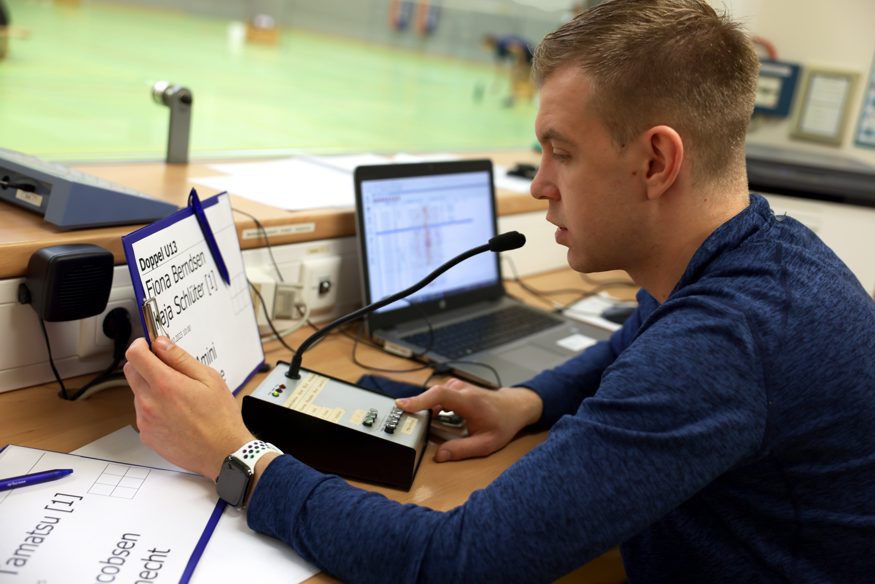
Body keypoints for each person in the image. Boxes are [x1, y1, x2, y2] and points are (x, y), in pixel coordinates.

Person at [124, 0, 875, 581]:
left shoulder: (726, 342)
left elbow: (456, 563)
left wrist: (235, 453)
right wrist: (529, 402)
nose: (541, 185)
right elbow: (641, 333)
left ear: (655, 162)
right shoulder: (757, 252)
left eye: (561, 152)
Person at [481, 33, 535, 106]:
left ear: (489, 43)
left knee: (522, 76)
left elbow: (519, 50)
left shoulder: (503, 43)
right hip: (525, 58)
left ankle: (528, 98)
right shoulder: (498, 50)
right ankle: (517, 97)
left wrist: (520, 65)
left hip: (530, 56)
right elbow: (499, 66)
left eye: (485, 45)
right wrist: (496, 82)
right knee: (515, 74)